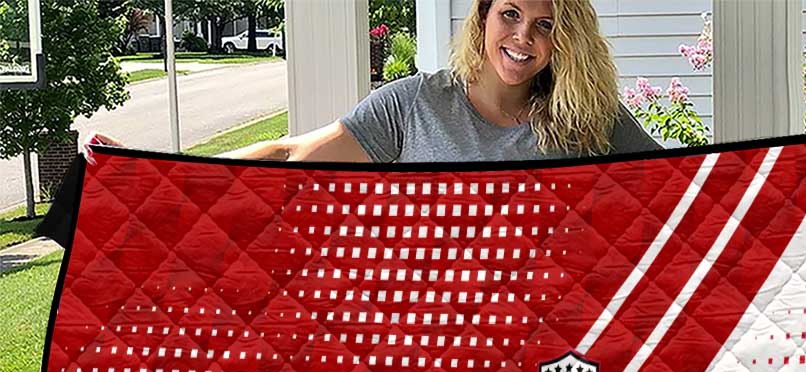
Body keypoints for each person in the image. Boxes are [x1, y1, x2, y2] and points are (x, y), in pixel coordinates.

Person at [85, 0, 660, 164]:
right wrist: (147, 165)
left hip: (546, 337)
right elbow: (293, 152)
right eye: (510, 14)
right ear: (483, 16)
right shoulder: (414, 105)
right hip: (428, 338)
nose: (522, 37)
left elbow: (684, 190)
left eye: (544, 26)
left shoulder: (588, 116)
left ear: (565, 40)